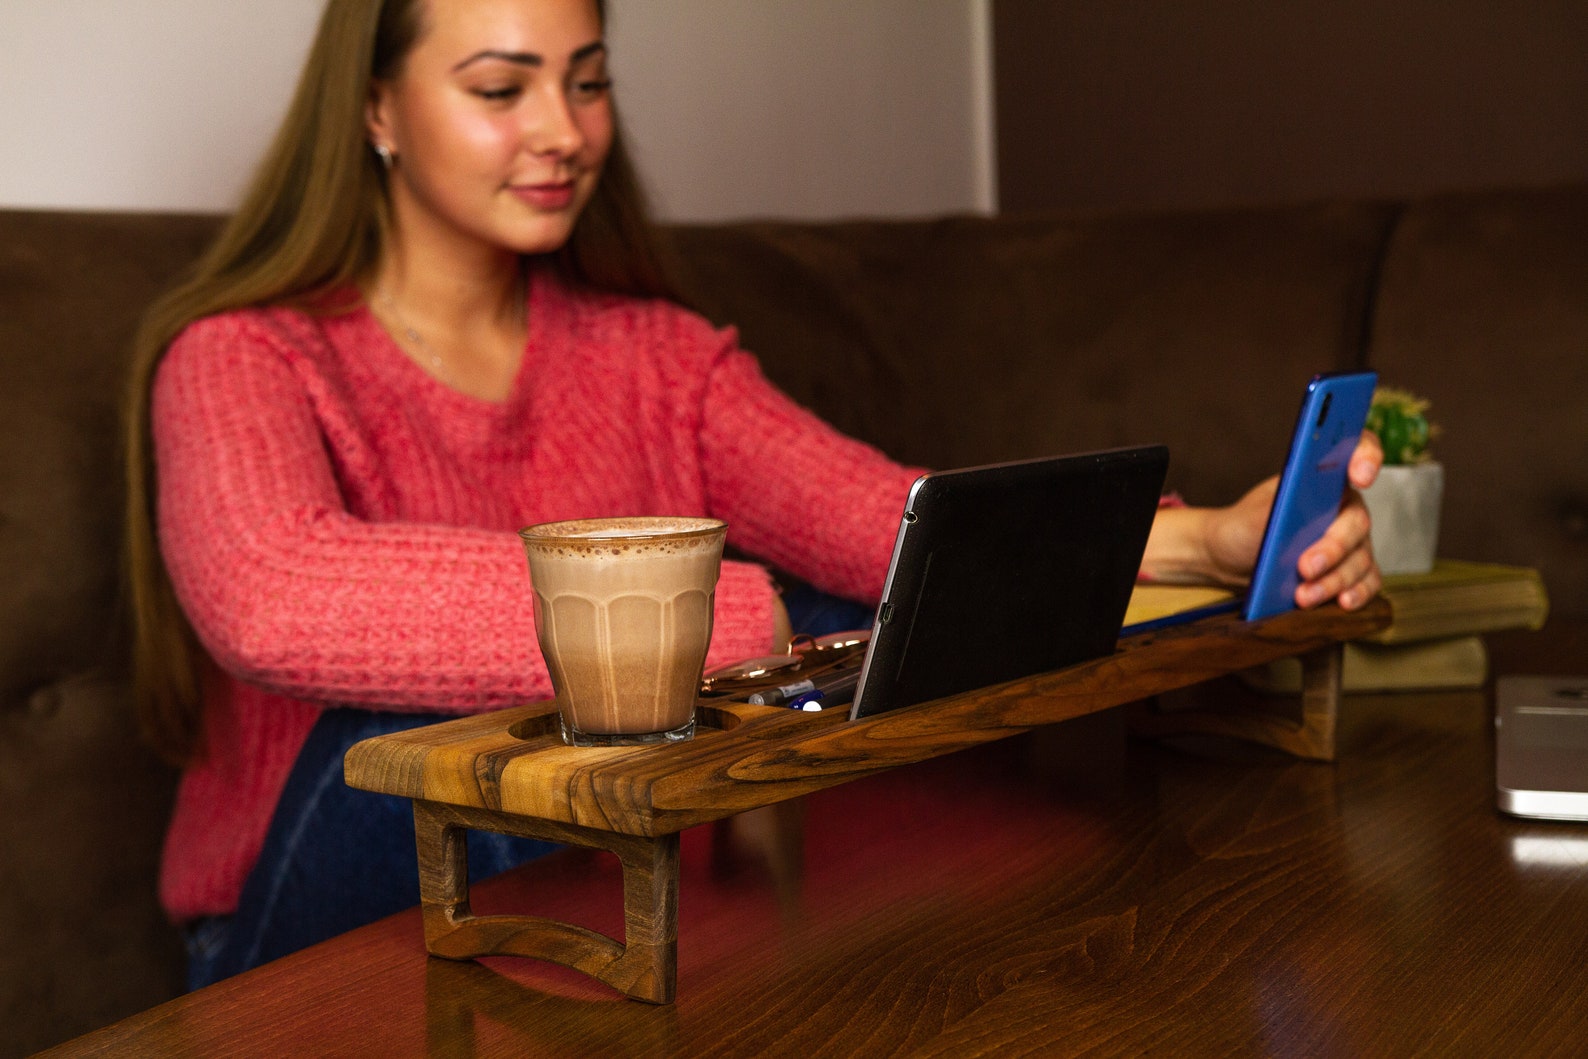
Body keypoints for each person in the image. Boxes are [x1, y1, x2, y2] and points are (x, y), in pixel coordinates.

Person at [123, 0, 1382, 990]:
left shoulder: (655, 357)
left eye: (587, 81)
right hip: (302, 924)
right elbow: (271, 595)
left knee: (862, 625)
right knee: (483, 736)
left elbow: (891, 523)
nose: (563, 130)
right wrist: (719, 622)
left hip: (627, 895)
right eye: (502, 90)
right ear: (376, 110)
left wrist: (1213, 542)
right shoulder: (242, 356)